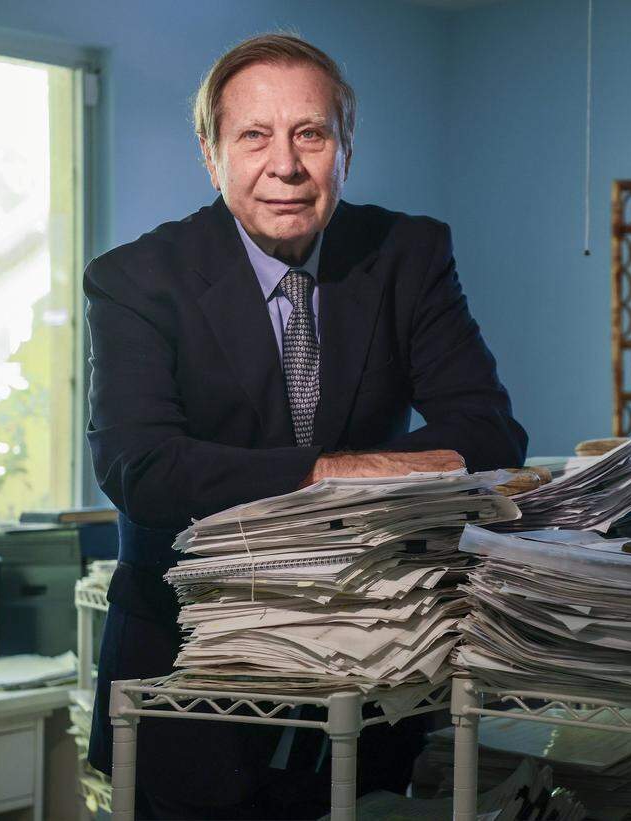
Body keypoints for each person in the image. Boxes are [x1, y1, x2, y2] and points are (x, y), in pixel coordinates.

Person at [84, 33, 527, 819]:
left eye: (310, 134)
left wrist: (351, 469)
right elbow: (142, 468)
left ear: (344, 149)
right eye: (254, 135)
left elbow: (490, 431)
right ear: (209, 153)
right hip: (189, 679)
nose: (284, 165)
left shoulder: (407, 253)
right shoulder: (136, 279)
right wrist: (331, 473)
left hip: (373, 663)